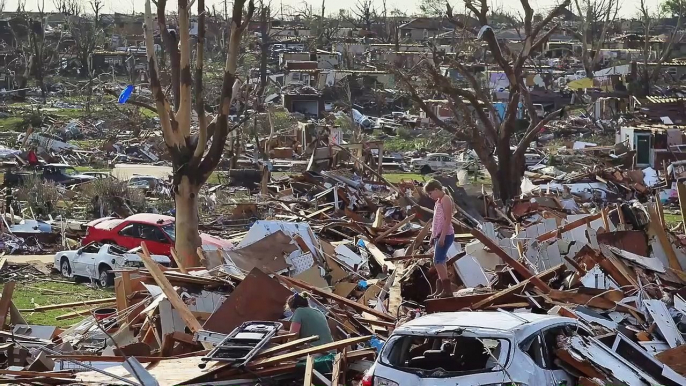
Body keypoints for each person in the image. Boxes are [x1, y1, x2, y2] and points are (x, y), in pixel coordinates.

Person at [425, 180, 455, 298]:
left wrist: (442, 236)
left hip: (446, 235)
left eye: (430, 193)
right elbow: (436, 221)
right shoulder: (438, 201)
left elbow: (448, 219)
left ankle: (447, 290)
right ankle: (440, 289)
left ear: (437, 190)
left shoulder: (446, 199)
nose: (429, 196)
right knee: (438, 261)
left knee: (438, 261)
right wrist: (433, 236)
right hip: (438, 235)